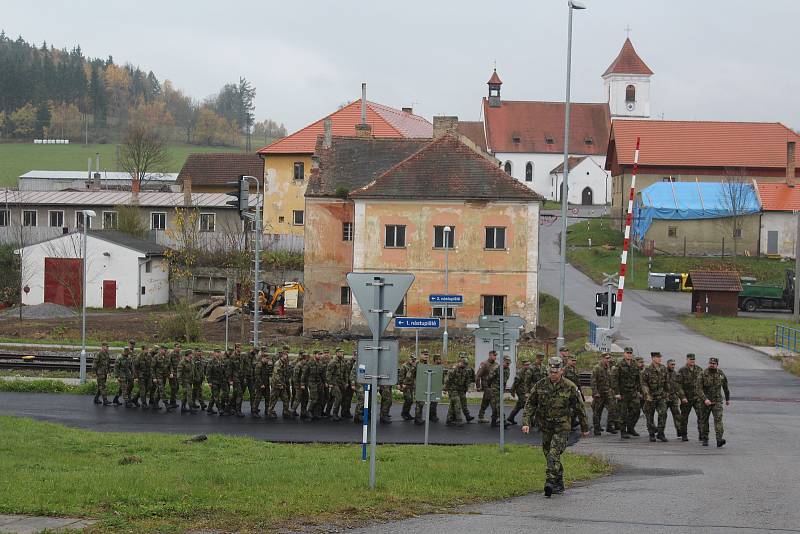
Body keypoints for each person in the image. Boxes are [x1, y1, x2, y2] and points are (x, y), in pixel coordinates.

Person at [522, 357, 590, 497]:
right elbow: (530, 404)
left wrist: (584, 427)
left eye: (556, 372)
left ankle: (550, 482)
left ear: (561, 371)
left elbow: (580, 408)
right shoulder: (540, 385)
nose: (553, 374)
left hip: (562, 427)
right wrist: (526, 422)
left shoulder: (570, 386)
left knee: (553, 453)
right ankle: (559, 483)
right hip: (546, 426)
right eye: (551, 371)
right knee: (549, 455)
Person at [696, 357, 730, 447]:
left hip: (717, 401)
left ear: (717, 365)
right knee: (704, 420)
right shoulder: (703, 374)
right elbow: (698, 389)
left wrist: (727, 399)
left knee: (718, 420)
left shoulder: (720, 374)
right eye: (710, 363)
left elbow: (725, 386)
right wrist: (705, 399)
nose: (712, 365)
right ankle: (705, 439)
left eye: (714, 363)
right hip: (705, 402)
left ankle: (719, 439)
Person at [611, 347, 642, 439]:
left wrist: (640, 391)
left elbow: (638, 379)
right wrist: (616, 393)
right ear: (624, 353)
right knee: (623, 413)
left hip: (633, 392)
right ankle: (623, 431)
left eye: (630, 353)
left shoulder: (634, 364)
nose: (629, 354)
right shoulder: (619, 364)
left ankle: (631, 428)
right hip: (623, 392)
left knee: (636, 410)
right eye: (627, 353)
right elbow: (614, 379)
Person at [642, 352, 668, 442]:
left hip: (661, 396)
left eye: (660, 357)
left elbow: (666, 383)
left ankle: (661, 433)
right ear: (653, 358)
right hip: (651, 397)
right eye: (657, 357)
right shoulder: (647, 369)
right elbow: (644, 384)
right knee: (650, 416)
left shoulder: (663, 368)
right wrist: (647, 395)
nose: (659, 359)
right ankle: (651, 433)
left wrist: (666, 393)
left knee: (663, 413)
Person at [677, 353, 703, 442]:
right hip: (686, 398)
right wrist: (682, 397)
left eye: (693, 359)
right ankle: (684, 435)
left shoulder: (699, 369)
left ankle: (702, 434)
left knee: (701, 416)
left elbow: (703, 384)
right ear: (687, 359)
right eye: (690, 359)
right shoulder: (682, 370)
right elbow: (678, 385)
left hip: (697, 398)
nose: (692, 361)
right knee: (684, 417)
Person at [590, 352, 617, 435]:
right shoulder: (597, 368)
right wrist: (595, 392)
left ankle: (609, 426)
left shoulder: (609, 367)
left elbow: (611, 379)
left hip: (608, 392)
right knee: (597, 411)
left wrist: (613, 390)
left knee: (613, 408)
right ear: (602, 359)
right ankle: (597, 428)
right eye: (606, 358)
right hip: (599, 393)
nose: (608, 360)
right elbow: (593, 381)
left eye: (609, 358)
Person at [507, 358, 533, 425]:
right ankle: (528, 422)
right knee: (526, 405)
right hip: (521, 391)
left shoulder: (529, 371)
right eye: (526, 365)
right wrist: (512, 390)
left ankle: (511, 417)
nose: (528, 366)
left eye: (528, 364)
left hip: (526, 391)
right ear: (523, 365)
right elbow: (516, 382)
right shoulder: (520, 372)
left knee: (519, 406)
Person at [444, 356, 469, 427]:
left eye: (466, 364)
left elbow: (466, 380)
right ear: (460, 363)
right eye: (464, 364)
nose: (465, 366)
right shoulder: (453, 369)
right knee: (457, 402)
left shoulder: (465, 370)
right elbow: (447, 380)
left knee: (453, 404)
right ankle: (459, 420)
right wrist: (445, 389)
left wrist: (466, 389)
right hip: (452, 389)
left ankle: (449, 420)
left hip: (460, 390)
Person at [476, 351, 499, 423]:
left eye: (496, 356)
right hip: (486, 385)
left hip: (494, 386)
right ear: (489, 356)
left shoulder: (496, 364)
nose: (495, 357)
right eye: (493, 355)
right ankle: (496, 418)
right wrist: (478, 386)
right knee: (493, 402)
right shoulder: (484, 364)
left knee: (485, 401)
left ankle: (481, 416)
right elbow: (477, 376)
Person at [269, 350, 292, 419]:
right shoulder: (278, 363)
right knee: (273, 399)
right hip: (276, 384)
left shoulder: (284, 363)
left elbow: (285, 373)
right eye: (285, 355)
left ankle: (285, 411)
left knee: (286, 398)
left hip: (282, 383)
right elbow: (276, 375)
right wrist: (279, 384)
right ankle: (270, 412)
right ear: (282, 356)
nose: (286, 356)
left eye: (287, 355)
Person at [326, 348, 347, 421]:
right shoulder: (333, 362)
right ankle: (335, 413)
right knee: (338, 397)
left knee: (331, 398)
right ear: (337, 353)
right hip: (334, 383)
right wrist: (330, 383)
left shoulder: (342, 361)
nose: (341, 353)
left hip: (340, 383)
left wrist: (345, 382)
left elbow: (345, 373)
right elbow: (328, 374)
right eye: (340, 352)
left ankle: (327, 412)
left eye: (342, 352)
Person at [665, 358, 683, 439]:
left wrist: (681, 397)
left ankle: (679, 431)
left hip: (674, 397)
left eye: (674, 364)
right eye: (671, 364)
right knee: (662, 415)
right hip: (665, 397)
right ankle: (660, 431)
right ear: (667, 364)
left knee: (677, 414)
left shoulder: (676, 374)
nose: (673, 366)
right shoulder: (663, 373)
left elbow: (679, 387)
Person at [151, 346, 173, 412]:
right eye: (164, 350)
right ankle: (167, 404)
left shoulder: (167, 356)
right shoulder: (156, 357)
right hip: (158, 376)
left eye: (166, 350)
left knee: (159, 390)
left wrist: (171, 372)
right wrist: (154, 377)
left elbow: (170, 365)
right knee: (162, 389)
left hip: (164, 376)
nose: (165, 351)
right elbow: (152, 368)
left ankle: (155, 404)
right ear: (160, 350)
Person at [290, 351, 310, 419]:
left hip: (304, 385)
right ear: (304, 358)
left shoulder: (306, 364)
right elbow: (295, 377)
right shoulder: (298, 365)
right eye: (307, 358)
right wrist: (298, 386)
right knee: (298, 399)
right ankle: (292, 411)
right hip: (298, 385)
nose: (308, 360)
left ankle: (303, 412)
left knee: (306, 398)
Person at [205, 349, 225, 415]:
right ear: (214, 353)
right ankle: (220, 409)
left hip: (220, 381)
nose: (219, 354)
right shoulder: (211, 362)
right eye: (217, 352)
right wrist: (209, 382)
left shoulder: (221, 360)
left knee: (214, 395)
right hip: (214, 381)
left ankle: (209, 409)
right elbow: (208, 373)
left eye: (219, 352)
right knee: (216, 396)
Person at [398, 354, 417, 421]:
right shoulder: (404, 366)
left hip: (411, 385)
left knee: (410, 400)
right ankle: (404, 414)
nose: (413, 361)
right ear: (409, 359)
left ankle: (407, 413)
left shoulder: (414, 366)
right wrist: (400, 384)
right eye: (412, 359)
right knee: (408, 400)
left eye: (414, 359)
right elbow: (401, 376)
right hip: (405, 385)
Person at [177, 349, 196, 413]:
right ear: (188, 354)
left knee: (185, 394)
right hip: (185, 381)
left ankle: (183, 407)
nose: (192, 355)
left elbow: (193, 370)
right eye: (192, 354)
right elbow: (179, 372)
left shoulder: (191, 361)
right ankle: (191, 407)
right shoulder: (182, 362)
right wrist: (180, 382)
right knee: (189, 394)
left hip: (190, 380)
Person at [134, 344, 152, 409]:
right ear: (142, 350)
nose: (147, 350)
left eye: (148, 349)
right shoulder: (139, 357)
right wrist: (136, 377)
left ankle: (135, 398)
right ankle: (144, 403)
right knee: (143, 390)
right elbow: (135, 367)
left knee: (150, 386)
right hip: (141, 375)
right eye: (145, 349)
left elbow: (150, 366)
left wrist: (151, 374)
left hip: (148, 375)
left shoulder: (149, 356)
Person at [168, 343, 181, 409]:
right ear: (174, 347)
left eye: (180, 347)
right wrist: (171, 372)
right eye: (178, 347)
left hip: (178, 373)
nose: (179, 348)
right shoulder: (171, 354)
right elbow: (169, 364)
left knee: (177, 387)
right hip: (172, 374)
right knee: (174, 387)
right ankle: (171, 402)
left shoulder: (179, 354)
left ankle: (174, 401)